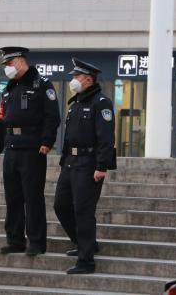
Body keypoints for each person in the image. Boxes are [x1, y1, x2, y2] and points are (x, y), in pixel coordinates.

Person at [0, 46, 61, 256]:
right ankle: (15, 240)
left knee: (33, 198)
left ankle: (36, 243)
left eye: (10, 63)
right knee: (12, 198)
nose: (8, 68)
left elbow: (52, 117)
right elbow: (0, 119)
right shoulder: (9, 88)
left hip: (33, 149)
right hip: (11, 148)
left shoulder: (42, 86)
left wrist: (47, 141)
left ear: (20, 61)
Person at [53, 58, 114, 275]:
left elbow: (106, 138)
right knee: (60, 205)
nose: (73, 80)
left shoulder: (101, 102)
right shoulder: (76, 103)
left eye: (76, 77)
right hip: (70, 163)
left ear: (88, 79)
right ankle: (84, 242)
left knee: (83, 211)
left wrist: (102, 166)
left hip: (89, 164)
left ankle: (86, 261)